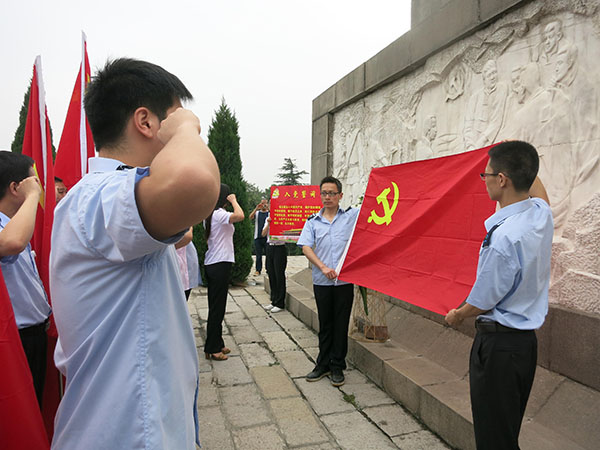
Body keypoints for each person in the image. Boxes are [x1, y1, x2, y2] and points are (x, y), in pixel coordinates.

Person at [49, 58, 220, 450]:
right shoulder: (101, 195)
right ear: (146, 122)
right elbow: (194, 181)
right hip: (127, 434)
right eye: (171, 116)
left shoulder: (108, 195)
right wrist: (187, 128)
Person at [445, 141, 553, 450]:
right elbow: (537, 188)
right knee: (507, 431)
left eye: (487, 174)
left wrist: (458, 315)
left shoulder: (503, 237)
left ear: (502, 179)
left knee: (493, 438)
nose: (485, 180)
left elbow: (484, 299)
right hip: (524, 345)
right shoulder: (540, 214)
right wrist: (520, 158)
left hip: (498, 350)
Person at [0, 151, 51, 407]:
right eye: (34, 182)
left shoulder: (15, 222)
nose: (39, 189)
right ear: (15, 188)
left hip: (33, 336)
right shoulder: (9, 230)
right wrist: (32, 196)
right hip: (15, 340)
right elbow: (12, 243)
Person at [297, 176, 359, 387]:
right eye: (324, 193)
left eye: (332, 193)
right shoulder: (312, 221)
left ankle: (337, 366)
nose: (327, 197)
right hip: (322, 281)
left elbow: (373, 210)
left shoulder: (351, 216)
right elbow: (306, 247)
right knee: (325, 324)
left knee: (341, 324)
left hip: (344, 282)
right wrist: (322, 267)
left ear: (340, 195)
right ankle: (322, 364)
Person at [203, 183, 244, 361]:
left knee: (217, 306)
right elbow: (240, 215)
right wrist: (234, 201)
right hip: (219, 263)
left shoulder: (211, 214)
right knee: (217, 308)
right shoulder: (219, 214)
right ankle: (212, 348)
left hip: (215, 262)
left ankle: (217, 342)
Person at [262, 209, 287, 313]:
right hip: (270, 247)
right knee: (271, 273)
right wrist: (268, 223)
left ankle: (280, 303)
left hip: (280, 247)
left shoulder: (283, 217)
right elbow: (263, 234)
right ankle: (273, 300)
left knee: (279, 274)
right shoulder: (268, 218)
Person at [249, 198, 269, 275]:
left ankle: (268, 270)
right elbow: (250, 217)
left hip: (267, 237)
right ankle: (258, 270)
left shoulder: (269, 213)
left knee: (268, 255)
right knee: (258, 255)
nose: (263, 205)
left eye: (265, 203)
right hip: (258, 237)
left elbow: (274, 216)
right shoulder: (257, 213)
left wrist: (268, 208)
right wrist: (256, 208)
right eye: (262, 203)